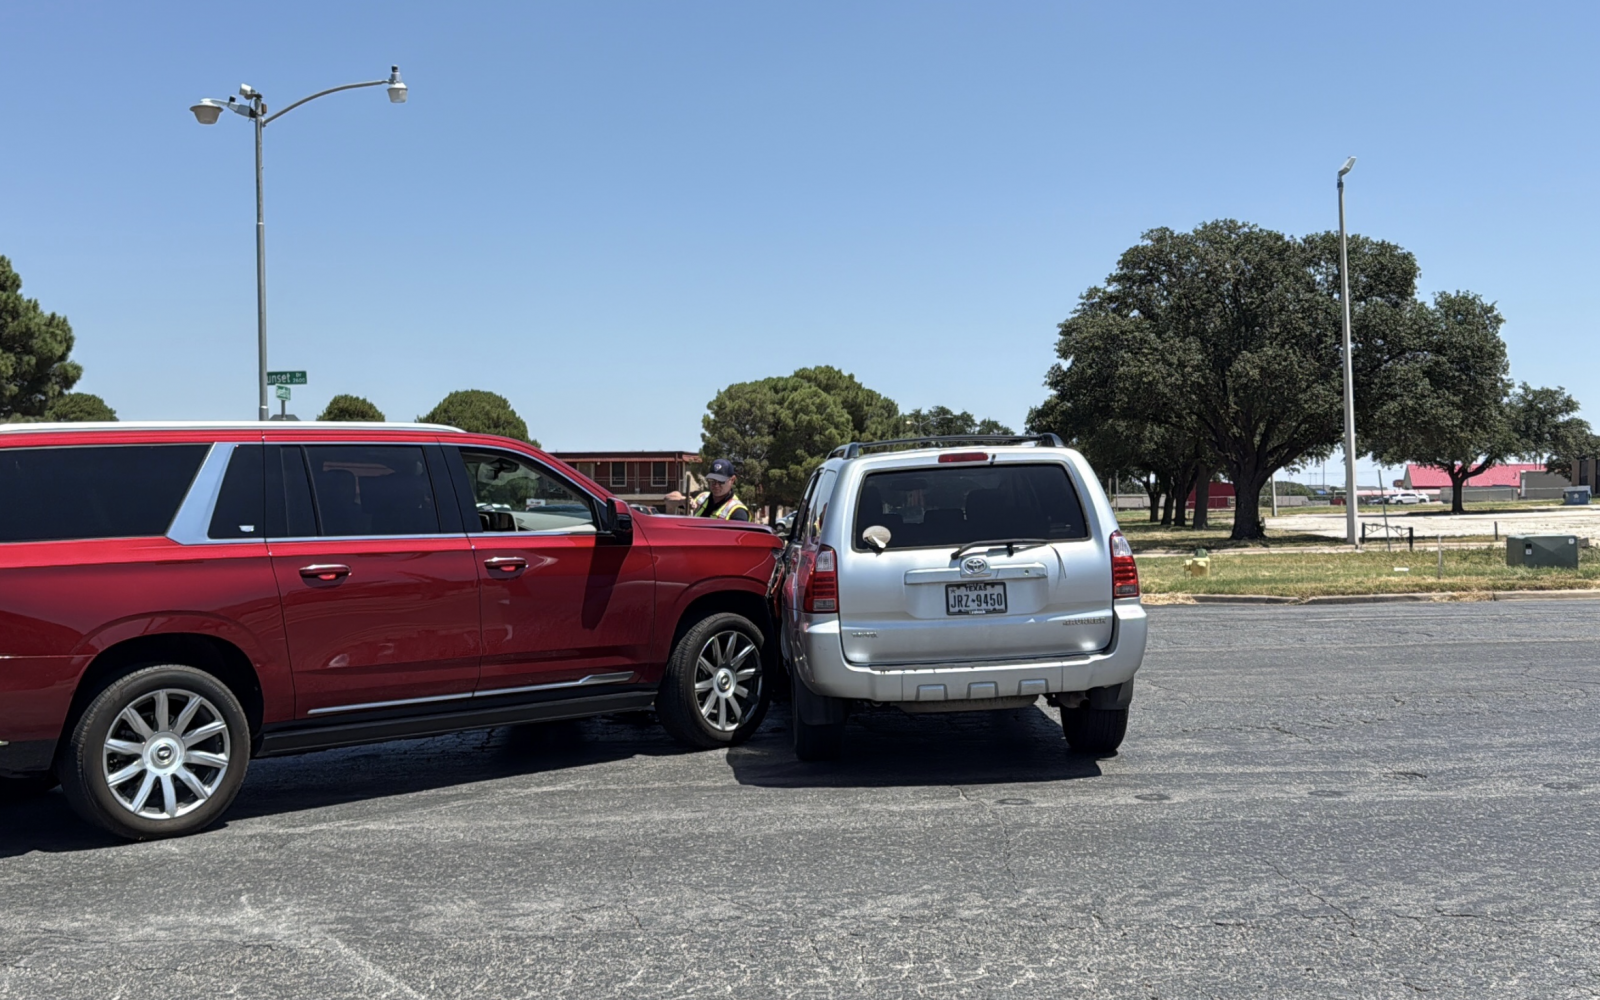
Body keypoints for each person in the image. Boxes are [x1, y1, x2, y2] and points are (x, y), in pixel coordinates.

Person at [670, 458, 750, 521]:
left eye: (721, 481)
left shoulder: (738, 512)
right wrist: (682, 500)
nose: (716, 485)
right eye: (712, 480)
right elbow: (668, 498)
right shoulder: (701, 497)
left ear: (732, 480)